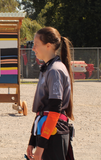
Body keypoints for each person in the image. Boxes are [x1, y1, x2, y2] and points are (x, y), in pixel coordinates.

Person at [26, 27, 74, 160]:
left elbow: (53, 111)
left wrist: (40, 148)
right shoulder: (48, 68)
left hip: (54, 135)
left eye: (36, 44)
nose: (33, 48)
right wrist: (33, 140)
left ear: (48, 46)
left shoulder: (55, 70)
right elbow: (42, 111)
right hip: (48, 134)